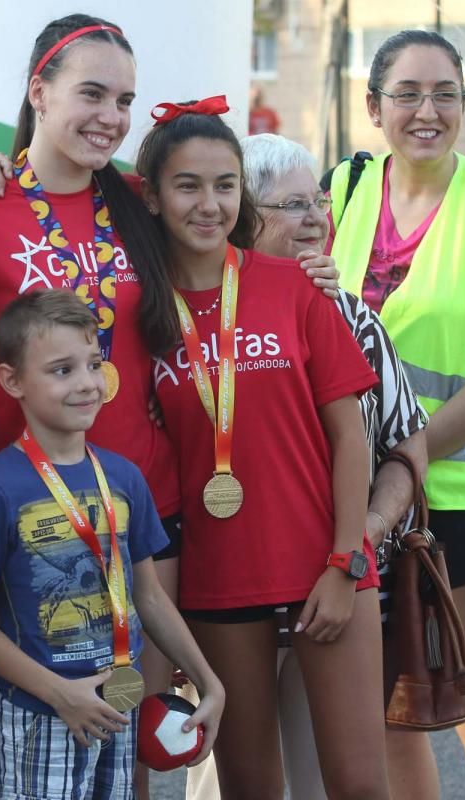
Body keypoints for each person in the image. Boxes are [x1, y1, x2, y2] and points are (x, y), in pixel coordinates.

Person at [0, 21, 337, 795]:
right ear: (37, 89)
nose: (109, 117)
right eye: (91, 93)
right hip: (36, 515)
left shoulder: (135, 198)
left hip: (146, 507)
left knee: (138, 748)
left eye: (123, 100)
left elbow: (224, 243)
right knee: (48, 745)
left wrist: (309, 271)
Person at [325, 29, 465, 799]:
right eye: (407, 94)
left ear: (464, 102)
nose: (428, 111)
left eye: (445, 93)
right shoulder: (342, 191)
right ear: (373, 107)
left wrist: (403, 457)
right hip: (365, 496)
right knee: (393, 710)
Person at [139, 102, 388, 799]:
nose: (209, 204)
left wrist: (346, 560)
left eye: (225, 185)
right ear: (152, 197)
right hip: (219, 577)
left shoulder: (291, 286)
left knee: (360, 785)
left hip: (326, 565)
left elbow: (351, 436)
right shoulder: (143, 312)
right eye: (187, 185)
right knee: (250, 787)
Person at [183, 131, 430, 800]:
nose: (317, 217)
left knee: (337, 780)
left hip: (336, 580)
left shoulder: (351, 315)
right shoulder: (176, 313)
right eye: (294, 204)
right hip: (229, 586)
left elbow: (405, 451)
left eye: (320, 200)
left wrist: (359, 545)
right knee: (231, 784)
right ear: (245, 214)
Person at [0, 289, 225, 800]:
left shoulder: (123, 477)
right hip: (41, 712)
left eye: (93, 364)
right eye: (61, 370)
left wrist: (211, 682)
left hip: (116, 708)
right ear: (12, 381)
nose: (86, 384)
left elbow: (148, 595)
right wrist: (60, 694)